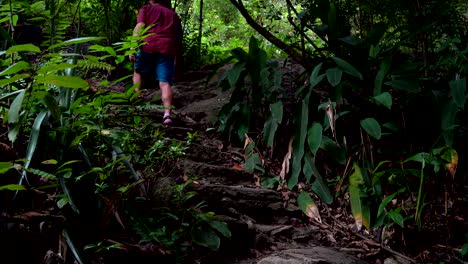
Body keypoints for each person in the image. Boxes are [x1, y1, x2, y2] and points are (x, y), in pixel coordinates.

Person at [129, 0, 183, 125]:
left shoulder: (146, 9)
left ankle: (137, 100)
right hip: (167, 48)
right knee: (165, 83)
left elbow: (139, 26)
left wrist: (132, 47)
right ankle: (167, 114)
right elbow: (177, 37)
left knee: (138, 71)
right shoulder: (172, 14)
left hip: (148, 44)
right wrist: (176, 57)